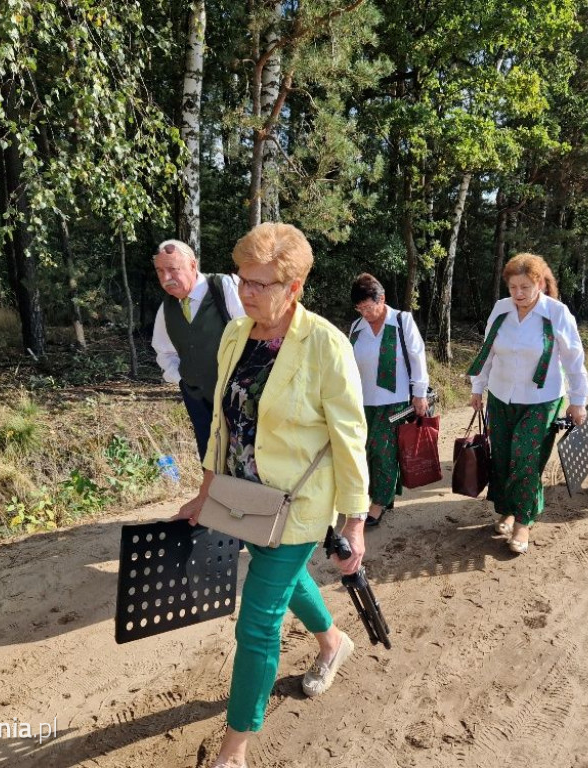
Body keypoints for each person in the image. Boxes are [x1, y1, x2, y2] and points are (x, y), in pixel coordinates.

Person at [174, 223, 370, 768]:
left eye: (262, 283)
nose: (247, 291)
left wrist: (354, 522)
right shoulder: (236, 334)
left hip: (297, 505)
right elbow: (222, 421)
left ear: (296, 284)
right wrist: (205, 490)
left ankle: (234, 751)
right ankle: (333, 641)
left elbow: (349, 438)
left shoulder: (324, 344)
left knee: (258, 620)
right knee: (278, 574)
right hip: (243, 497)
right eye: (243, 279)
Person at [468, 253, 588, 555]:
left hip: (541, 399)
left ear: (539, 283)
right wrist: (478, 387)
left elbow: (574, 360)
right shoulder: (500, 310)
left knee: (526, 459)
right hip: (501, 395)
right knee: (503, 456)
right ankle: (507, 510)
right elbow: (488, 352)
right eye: (512, 288)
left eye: (524, 287)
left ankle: (523, 521)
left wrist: (578, 400)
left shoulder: (557, 313)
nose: (518, 295)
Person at [151, 240, 245, 460]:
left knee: (243, 459)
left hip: (237, 399)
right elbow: (164, 353)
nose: (166, 278)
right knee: (210, 458)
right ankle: (213, 495)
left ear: (193, 266)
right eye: (160, 271)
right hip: (198, 402)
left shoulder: (224, 287)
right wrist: (183, 378)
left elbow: (253, 334)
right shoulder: (166, 308)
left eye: (173, 269)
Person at [348, 273, 430, 527]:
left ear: (381, 299)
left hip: (394, 400)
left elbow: (417, 357)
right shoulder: (356, 327)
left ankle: (378, 503)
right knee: (365, 451)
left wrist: (420, 394)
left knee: (384, 452)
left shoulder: (401, 321)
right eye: (359, 308)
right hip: (362, 399)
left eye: (368, 306)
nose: (364, 312)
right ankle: (377, 494)